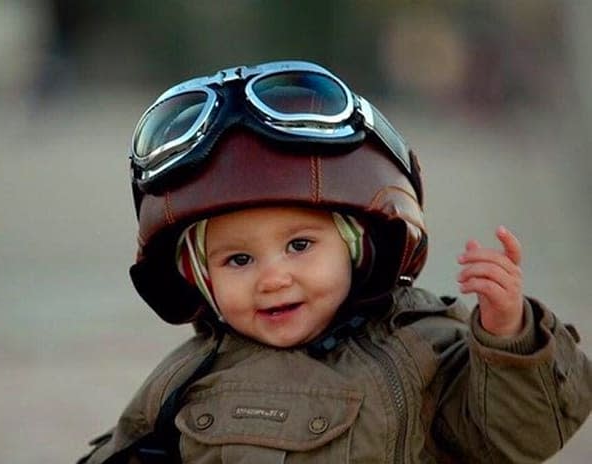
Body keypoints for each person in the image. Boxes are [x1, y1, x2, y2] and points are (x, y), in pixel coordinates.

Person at [78, 60, 591, 463]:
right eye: (238, 259)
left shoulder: (422, 345)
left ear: (359, 244)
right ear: (199, 277)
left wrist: (508, 336)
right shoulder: (188, 376)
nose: (273, 278)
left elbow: (517, 442)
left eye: (300, 246)